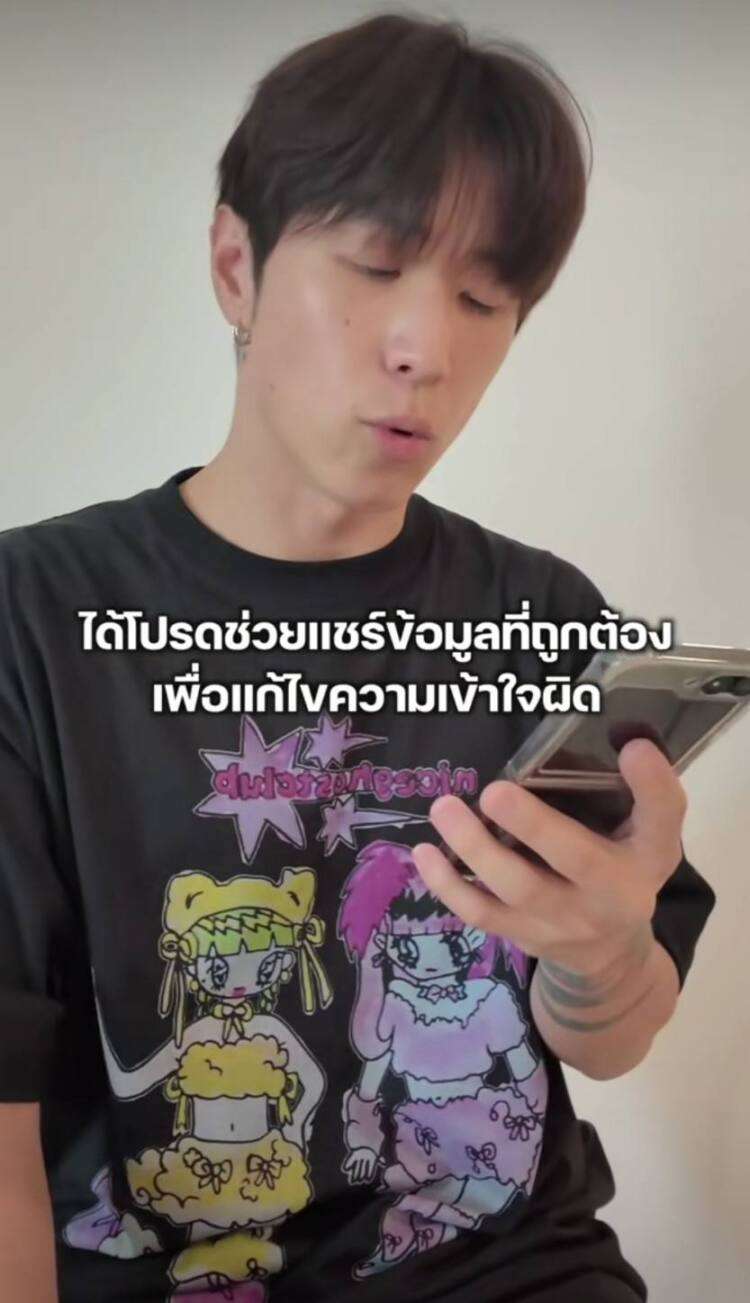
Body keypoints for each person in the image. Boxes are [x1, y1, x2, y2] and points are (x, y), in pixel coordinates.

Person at [0, 11, 715, 1303]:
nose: (425, 350)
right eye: (377, 267)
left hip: (499, 1263)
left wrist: (605, 951)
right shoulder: (29, 621)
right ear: (236, 266)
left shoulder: (545, 617)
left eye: (482, 300)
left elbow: (605, 1043)